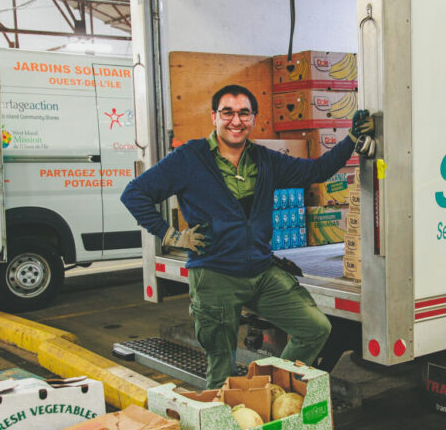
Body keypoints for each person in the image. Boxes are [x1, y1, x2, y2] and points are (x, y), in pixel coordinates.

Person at [121, 83, 374, 388]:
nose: (236, 121)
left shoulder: (265, 160)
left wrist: (351, 138)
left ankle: (268, 390)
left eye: (244, 113)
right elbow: (134, 194)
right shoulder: (189, 158)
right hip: (214, 275)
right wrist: (170, 235)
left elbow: (317, 171)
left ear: (253, 118)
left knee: (315, 327)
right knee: (222, 370)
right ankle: (228, 412)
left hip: (261, 271)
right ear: (214, 117)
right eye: (227, 112)